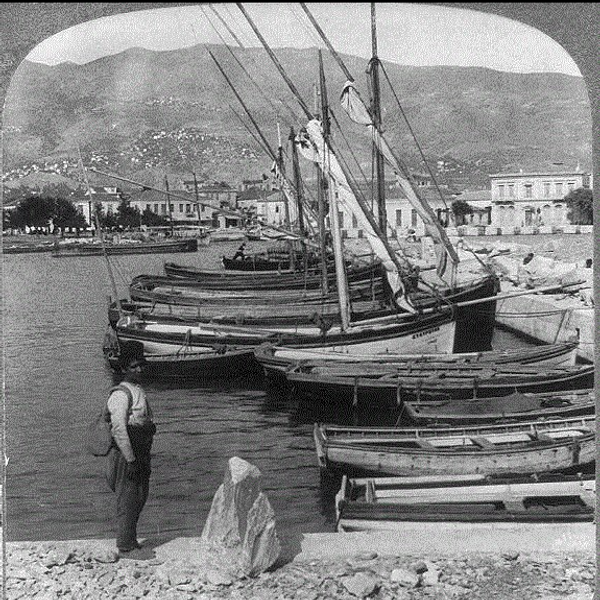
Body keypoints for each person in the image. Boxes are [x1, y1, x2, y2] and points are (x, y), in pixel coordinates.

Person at [105, 341, 156, 557]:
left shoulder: (138, 390)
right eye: (134, 366)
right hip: (127, 456)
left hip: (140, 453)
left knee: (139, 496)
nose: (139, 370)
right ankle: (125, 546)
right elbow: (119, 429)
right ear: (125, 368)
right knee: (128, 499)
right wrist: (131, 459)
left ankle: (131, 540)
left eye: (142, 365)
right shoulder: (120, 394)